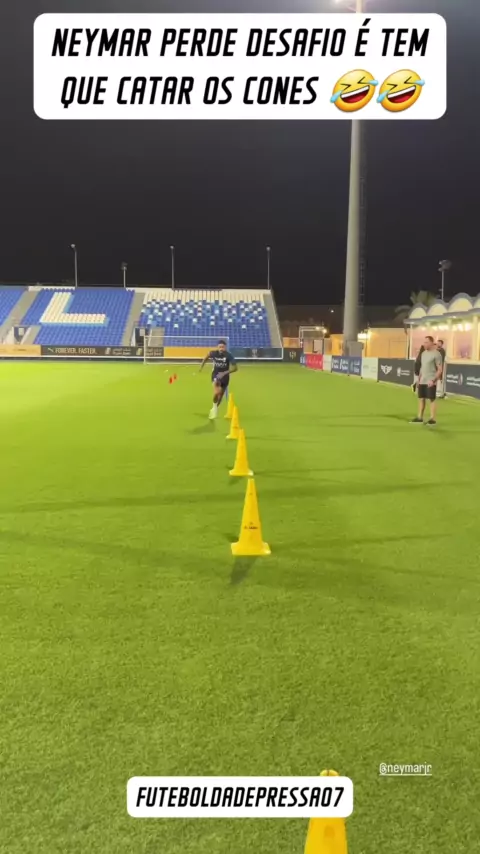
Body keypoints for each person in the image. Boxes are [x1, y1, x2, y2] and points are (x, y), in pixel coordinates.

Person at [200, 340, 238, 419]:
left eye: (223, 347)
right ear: (217, 347)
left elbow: (235, 368)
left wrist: (224, 373)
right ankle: (214, 406)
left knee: (221, 396)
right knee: (217, 392)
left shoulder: (228, 355)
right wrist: (201, 366)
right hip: (216, 375)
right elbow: (206, 357)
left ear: (225, 347)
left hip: (225, 377)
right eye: (220, 347)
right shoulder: (213, 353)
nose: (221, 348)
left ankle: (215, 408)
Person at [410, 336, 443, 425]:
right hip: (422, 380)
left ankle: (432, 419)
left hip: (430, 380)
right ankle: (420, 417)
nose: (424, 344)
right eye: (424, 342)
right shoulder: (423, 354)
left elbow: (440, 369)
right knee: (421, 398)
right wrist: (418, 380)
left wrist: (433, 380)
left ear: (432, 343)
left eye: (426, 342)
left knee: (431, 399)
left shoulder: (437, 354)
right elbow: (422, 368)